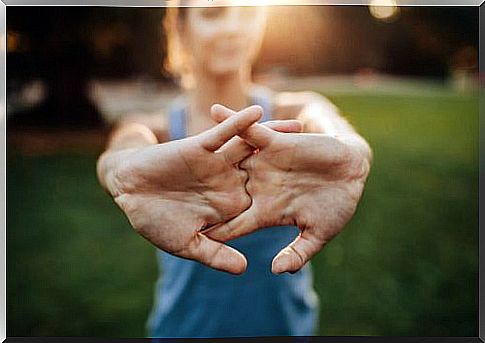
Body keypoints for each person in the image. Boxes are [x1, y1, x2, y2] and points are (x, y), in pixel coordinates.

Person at [96, 5, 372, 338]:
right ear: (181, 28)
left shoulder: (297, 111)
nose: (233, 27)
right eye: (213, 13)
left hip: (285, 329)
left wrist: (353, 152)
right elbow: (122, 152)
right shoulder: (156, 130)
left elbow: (334, 130)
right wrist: (118, 171)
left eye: (247, 12)